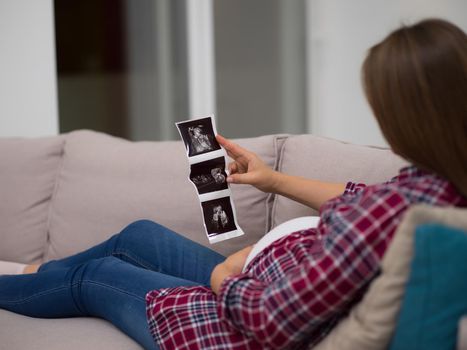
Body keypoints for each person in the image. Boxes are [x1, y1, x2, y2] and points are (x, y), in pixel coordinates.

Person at [1, 18, 467, 350]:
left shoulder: (392, 218)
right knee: (138, 234)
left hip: (239, 325)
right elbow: (360, 199)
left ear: (406, 116)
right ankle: (32, 275)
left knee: (96, 278)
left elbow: (273, 323)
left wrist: (226, 274)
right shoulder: (438, 181)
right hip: (263, 279)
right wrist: (273, 180)